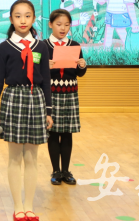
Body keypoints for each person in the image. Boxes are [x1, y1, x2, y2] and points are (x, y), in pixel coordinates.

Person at [0, 0, 53, 221]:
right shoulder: (4, 47)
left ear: (34, 19)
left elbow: (46, 81)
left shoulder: (41, 47)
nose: (23, 20)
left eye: (27, 16)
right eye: (18, 16)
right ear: (11, 19)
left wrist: (49, 111)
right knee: (15, 157)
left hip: (36, 100)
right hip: (13, 99)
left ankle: (29, 206)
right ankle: (18, 206)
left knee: (32, 157)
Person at [43, 9, 87, 186]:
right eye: (59, 24)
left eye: (67, 25)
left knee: (67, 133)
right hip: (51, 94)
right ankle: (56, 171)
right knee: (53, 133)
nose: (63, 28)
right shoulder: (43, 46)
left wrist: (82, 66)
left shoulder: (74, 45)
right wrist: (44, 67)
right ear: (50, 24)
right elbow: (36, 72)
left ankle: (66, 171)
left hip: (70, 94)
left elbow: (79, 73)